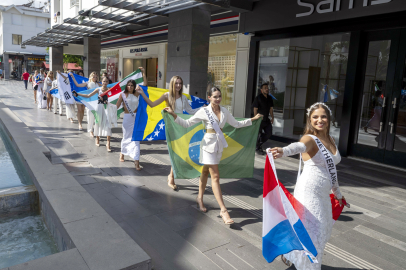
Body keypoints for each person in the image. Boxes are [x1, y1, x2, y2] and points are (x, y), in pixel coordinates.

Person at [164, 87, 262, 224]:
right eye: (215, 96)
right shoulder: (204, 111)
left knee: (205, 171)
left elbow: (237, 124)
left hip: (218, 147)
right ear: (209, 97)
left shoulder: (225, 111)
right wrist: (174, 114)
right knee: (215, 176)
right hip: (207, 147)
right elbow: (187, 124)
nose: (218, 99)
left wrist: (252, 119)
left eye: (219, 96)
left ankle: (199, 198)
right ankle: (223, 211)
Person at [269, 102, 347, 270]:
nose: (320, 120)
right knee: (314, 233)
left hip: (323, 194)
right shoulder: (310, 138)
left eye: (323, 116)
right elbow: (299, 146)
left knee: (323, 230)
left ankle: (294, 254)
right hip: (309, 192)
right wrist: (284, 151)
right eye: (315, 117)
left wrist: (338, 194)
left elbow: (331, 172)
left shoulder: (331, 139)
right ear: (310, 120)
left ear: (329, 118)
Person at [136, 75, 203, 190]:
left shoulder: (183, 98)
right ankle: (171, 178)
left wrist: (203, 109)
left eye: (180, 83)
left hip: (181, 126)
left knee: (179, 152)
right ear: (172, 84)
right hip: (171, 127)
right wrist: (142, 93)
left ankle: (170, 176)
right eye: (176, 83)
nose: (178, 85)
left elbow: (190, 111)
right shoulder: (167, 95)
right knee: (175, 152)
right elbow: (152, 104)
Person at [73, 77, 115, 152]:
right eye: (104, 81)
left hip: (107, 108)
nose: (105, 82)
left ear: (108, 82)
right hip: (99, 108)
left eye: (106, 81)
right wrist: (78, 94)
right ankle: (97, 138)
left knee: (108, 124)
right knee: (98, 123)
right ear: (101, 82)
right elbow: (88, 95)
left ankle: (108, 143)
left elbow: (113, 100)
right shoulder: (98, 89)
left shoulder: (109, 90)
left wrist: (105, 101)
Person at [116, 77, 146, 170]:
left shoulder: (137, 94)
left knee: (136, 139)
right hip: (127, 118)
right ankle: (122, 152)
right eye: (128, 85)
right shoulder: (123, 95)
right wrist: (106, 104)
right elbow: (116, 106)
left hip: (136, 118)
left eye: (132, 85)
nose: (130, 87)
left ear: (134, 86)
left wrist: (144, 72)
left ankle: (136, 161)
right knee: (126, 137)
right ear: (126, 86)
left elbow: (145, 84)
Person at [253, 83, 274, 155]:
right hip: (259, 119)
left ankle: (257, 145)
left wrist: (272, 117)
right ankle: (258, 148)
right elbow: (255, 109)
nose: (267, 89)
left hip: (266, 120)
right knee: (258, 134)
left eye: (267, 88)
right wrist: (256, 118)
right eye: (265, 88)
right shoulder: (258, 97)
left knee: (269, 133)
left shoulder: (270, 98)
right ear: (261, 90)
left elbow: (271, 108)